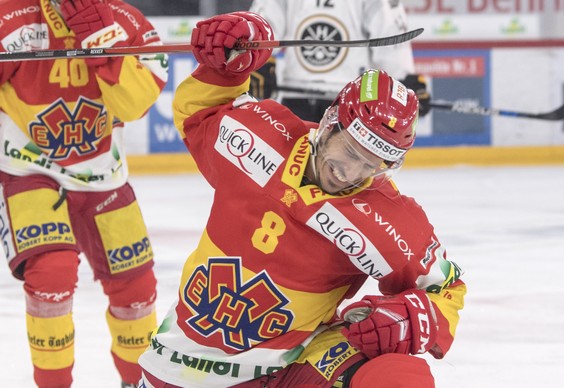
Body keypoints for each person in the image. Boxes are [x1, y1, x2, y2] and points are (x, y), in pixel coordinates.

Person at [138, 11, 465, 388]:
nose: (348, 172)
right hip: (181, 368)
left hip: (289, 369)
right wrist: (226, 65)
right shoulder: (260, 135)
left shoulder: (385, 218)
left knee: (398, 375)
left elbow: (446, 290)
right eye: (348, 150)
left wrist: (413, 318)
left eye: (369, 164)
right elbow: (202, 111)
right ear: (329, 122)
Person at [0, 0, 168, 387]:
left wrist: (103, 42)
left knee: (137, 289)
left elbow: (136, 102)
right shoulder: (13, 16)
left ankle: (137, 382)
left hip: (104, 178)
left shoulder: (126, 20)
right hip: (29, 170)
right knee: (51, 272)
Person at [248, 0, 431, 122]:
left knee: (344, 175)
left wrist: (402, 82)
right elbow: (265, 19)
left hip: (347, 100)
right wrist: (258, 61)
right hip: (297, 97)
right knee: (292, 172)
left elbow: (390, 34)